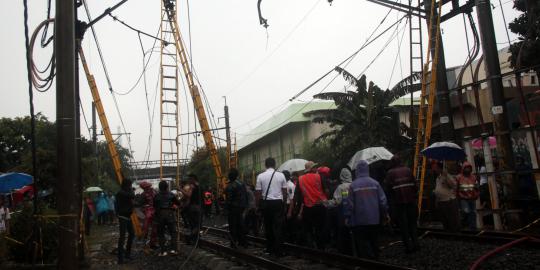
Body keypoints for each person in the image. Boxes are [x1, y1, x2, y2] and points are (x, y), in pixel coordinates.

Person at [344, 160, 388, 260]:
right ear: (367, 169)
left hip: (359, 221)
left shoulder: (353, 185)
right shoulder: (375, 183)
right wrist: (385, 214)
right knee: (374, 242)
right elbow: (383, 201)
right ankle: (377, 260)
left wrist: (347, 217)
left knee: (362, 244)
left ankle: (365, 262)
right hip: (374, 220)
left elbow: (350, 204)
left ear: (357, 171)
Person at [384, 156, 419, 253]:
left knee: (404, 226)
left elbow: (387, 190)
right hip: (411, 201)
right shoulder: (408, 170)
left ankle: (408, 247)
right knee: (412, 224)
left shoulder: (390, 173)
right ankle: (416, 244)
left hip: (399, 203)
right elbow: (415, 186)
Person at [290, 161, 328, 250]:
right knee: (320, 228)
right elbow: (326, 191)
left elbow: (297, 197)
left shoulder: (300, 179)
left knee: (308, 229)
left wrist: (297, 209)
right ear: (311, 169)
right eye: (314, 167)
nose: (316, 168)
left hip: (308, 208)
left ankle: (311, 248)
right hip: (320, 206)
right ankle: (321, 248)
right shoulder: (319, 176)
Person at [256, 157, 288, 256]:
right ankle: (279, 250)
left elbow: (258, 193)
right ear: (274, 165)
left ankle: (270, 249)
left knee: (268, 226)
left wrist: (258, 206)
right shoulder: (281, 175)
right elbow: (284, 192)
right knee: (278, 227)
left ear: (265, 165)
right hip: (278, 203)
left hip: (266, 204)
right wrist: (284, 203)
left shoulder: (260, 176)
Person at [325, 167, 353, 255]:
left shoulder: (340, 187)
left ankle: (344, 251)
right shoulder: (354, 185)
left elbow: (336, 201)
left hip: (343, 213)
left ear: (341, 176)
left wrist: (325, 203)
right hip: (355, 213)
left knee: (343, 232)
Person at [154, 180, 181, 256]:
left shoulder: (156, 196)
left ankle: (163, 251)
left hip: (160, 215)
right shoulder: (171, 194)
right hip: (170, 214)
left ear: (159, 187)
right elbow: (178, 203)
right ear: (167, 187)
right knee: (173, 232)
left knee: (161, 233)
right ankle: (174, 250)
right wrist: (174, 206)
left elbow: (155, 206)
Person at [433, 161, 460, 232]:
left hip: (449, 201)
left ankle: (454, 232)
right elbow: (438, 189)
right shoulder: (438, 178)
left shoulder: (447, 176)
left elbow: (453, 185)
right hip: (441, 201)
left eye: (435, 168)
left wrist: (446, 177)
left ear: (439, 168)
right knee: (444, 219)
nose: (434, 169)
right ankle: (447, 232)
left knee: (451, 219)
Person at [225, 168, 249, 248]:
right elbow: (246, 195)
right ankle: (243, 242)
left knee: (233, 226)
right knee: (240, 225)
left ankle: (233, 243)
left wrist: (226, 208)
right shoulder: (242, 184)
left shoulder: (230, 186)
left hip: (233, 208)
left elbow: (229, 199)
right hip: (241, 207)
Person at [116, 179, 135, 264]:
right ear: (127, 185)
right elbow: (132, 195)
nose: (131, 187)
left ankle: (127, 254)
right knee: (122, 237)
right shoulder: (121, 193)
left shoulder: (124, 192)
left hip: (127, 216)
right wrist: (131, 190)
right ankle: (120, 259)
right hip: (123, 217)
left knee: (132, 234)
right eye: (130, 185)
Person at [457, 162, 479, 230]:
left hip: (472, 197)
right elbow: (456, 188)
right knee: (466, 211)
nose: (467, 169)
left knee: (473, 212)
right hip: (463, 198)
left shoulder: (473, 177)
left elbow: (476, 187)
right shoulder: (459, 177)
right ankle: (463, 225)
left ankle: (472, 227)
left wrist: (476, 194)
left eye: (469, 168)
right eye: (466, 167)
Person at [182, 174, 202, 245]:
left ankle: (189, 237)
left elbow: (188, 195)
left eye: (190, 179)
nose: (189, 180)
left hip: (192, 207)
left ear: (193, 179)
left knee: (194, 225)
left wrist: (180, 189)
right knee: (197, 224)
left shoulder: (192, 186)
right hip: (198, 207)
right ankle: (196, 239)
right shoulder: (199, 185)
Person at [139, 181, 157, 247]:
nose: (148, 188)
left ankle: (152, 243)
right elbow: (140, 204)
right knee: (146, 228)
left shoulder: (154, 192)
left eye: (148, 187)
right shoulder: (143, 194)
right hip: (149, 213)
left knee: (153, 228)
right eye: (146, 187)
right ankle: (145, 242)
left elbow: (139, 204)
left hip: (152, 212)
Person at [0, 196, 10, 262]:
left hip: (2, 230)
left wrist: (8, 230)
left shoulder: (5, 209)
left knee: (3, 245)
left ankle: (3, 259)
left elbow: (7, 220)